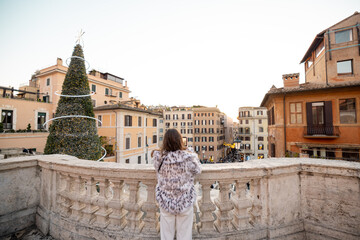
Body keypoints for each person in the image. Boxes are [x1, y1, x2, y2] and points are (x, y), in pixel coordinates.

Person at [152, 129, 202, 240]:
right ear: (180, 140)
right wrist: (190, 151)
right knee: (184, 236)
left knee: (166, 236)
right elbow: (198, 170)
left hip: (165, 200)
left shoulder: (158, 157)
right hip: (185, 200)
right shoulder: (188, 157)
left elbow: (156, 168)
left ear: (165, 141)